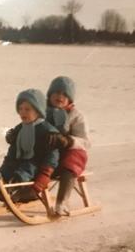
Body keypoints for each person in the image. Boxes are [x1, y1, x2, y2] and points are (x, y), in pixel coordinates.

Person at [0, 89, 60, 202]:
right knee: (5, 169)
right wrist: (10, 137)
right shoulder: (20, 127)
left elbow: (53, 153)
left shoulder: (47, 130)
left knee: (25, 170)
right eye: (20, 109)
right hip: (16, 158)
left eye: (27, 109)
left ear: (38, 111)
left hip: (35, 163)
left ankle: (12, 186)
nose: (23, 112)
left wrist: (47, 169)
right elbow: (14, 143)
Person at [44, 76, 90, 216]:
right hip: (48, 154)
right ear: (49, 95)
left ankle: (61, 202)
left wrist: (68, 141)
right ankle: (21, 191)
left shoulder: (76, 116)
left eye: (64, 94)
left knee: (71, 161)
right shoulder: (42, 112)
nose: (60, 96)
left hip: (69, 154)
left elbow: (85, 142)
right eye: (56, 92)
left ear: (70, 99)